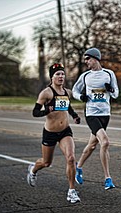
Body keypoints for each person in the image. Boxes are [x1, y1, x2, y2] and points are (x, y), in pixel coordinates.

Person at [26, 63, 81, 204]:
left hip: (65, 131)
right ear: (52, 77)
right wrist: (47, 111)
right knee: (46, 162)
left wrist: (74, 116)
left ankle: (71, 191)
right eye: (58, 74)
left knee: (70, 158)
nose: (61, 76)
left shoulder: (67, 92)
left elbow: (68, 106)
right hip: (50, 132)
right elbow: (35, 112)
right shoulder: (46, 93)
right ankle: (33, 170)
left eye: (62, 74)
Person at [72, 47, 119, 190]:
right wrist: (81, 97)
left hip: (105, 114)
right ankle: (107, 178)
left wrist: (110, 90)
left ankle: (78, 167)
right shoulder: (85, 76)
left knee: (92, 145)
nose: (86, 62)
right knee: (104, 142)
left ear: (96, 58)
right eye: (85, 59)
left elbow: (116, 93)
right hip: (91, 113)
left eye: (88, 59)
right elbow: (74, 90)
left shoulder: (109, 74)